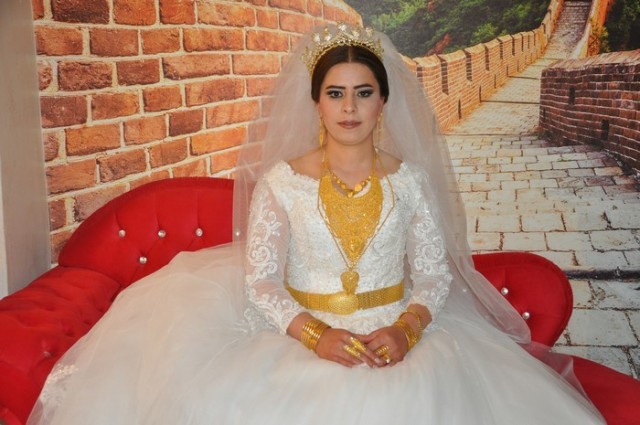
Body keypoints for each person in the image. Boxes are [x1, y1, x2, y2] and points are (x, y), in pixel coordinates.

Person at [28, 23, 605, 424]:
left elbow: (433, 276)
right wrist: (316, 336)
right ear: (317, 103)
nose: (349, 108)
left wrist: (405, 332)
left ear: (383, 102)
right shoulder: (282, 182)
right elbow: (261, 281)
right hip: (300, 338)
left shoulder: (410, 182)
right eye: (335, 94)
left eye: (363, 93)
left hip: (400, 340)